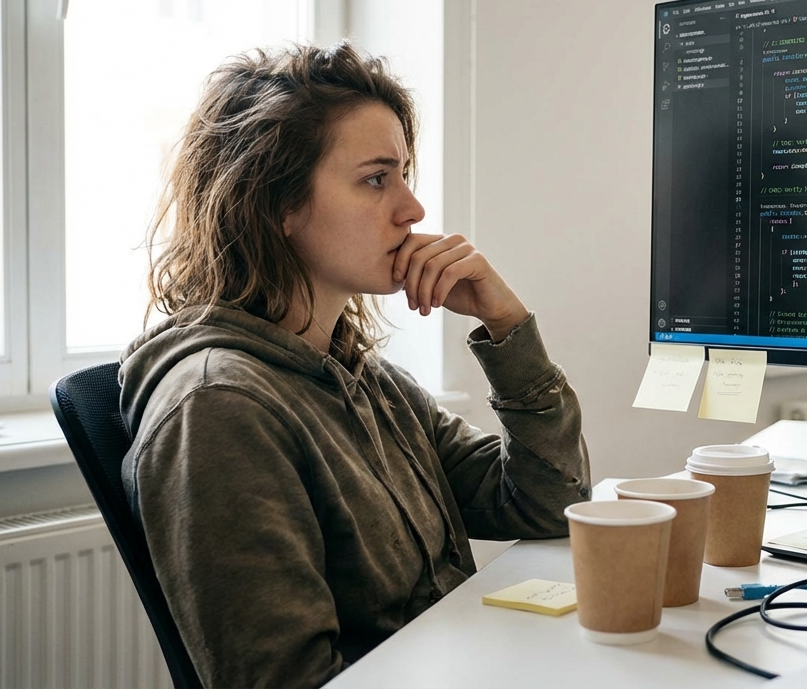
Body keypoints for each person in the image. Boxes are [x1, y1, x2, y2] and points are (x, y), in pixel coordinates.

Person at [118, 42, 591, 688]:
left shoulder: (361, 377)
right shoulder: (221, 407)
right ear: (276, 203)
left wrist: (506, 329)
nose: (413, 210)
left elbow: (546, 504)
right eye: (376, 179)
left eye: (402, 174)